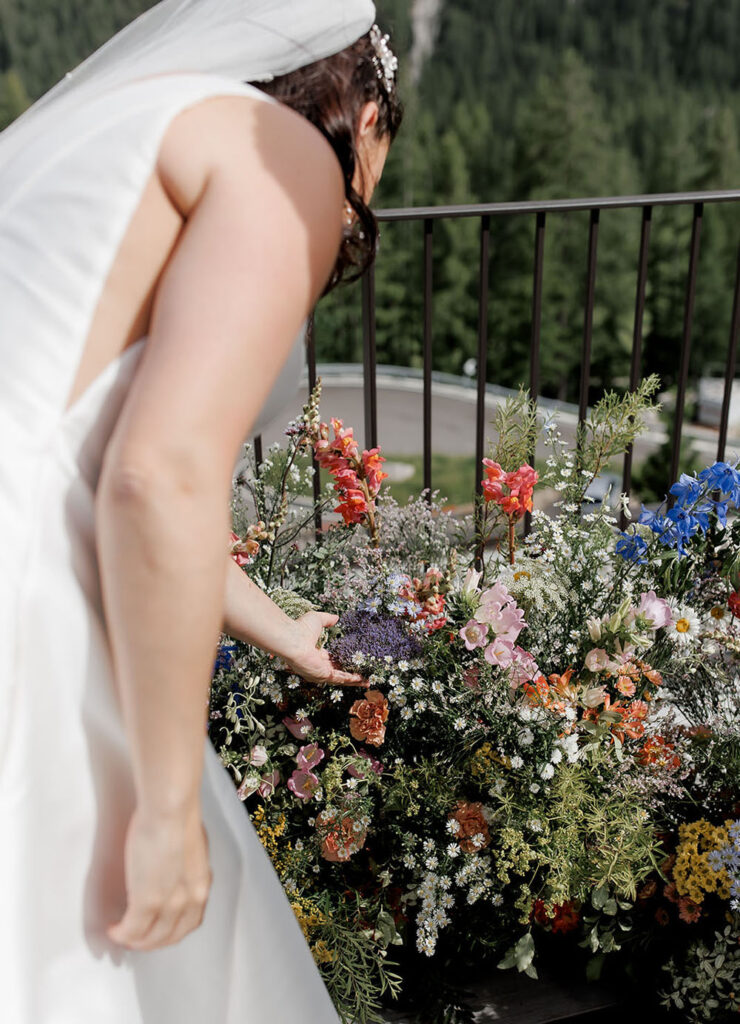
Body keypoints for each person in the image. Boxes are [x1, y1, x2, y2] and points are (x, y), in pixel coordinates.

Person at [0, 2, 403, 1021]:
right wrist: (167, 805)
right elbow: (159, 474)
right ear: (363, 117)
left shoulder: (116, 126)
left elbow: (69, 469)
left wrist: (286, 634)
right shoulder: (279, 153)